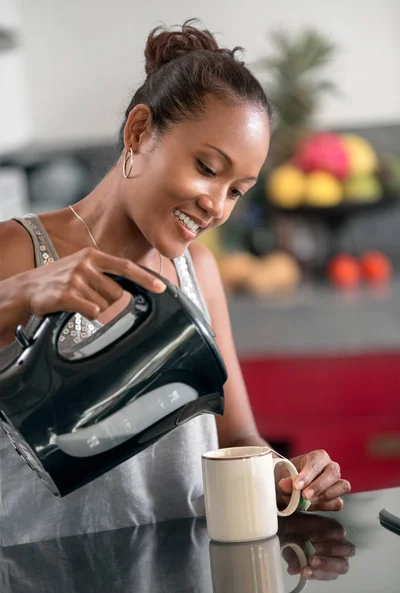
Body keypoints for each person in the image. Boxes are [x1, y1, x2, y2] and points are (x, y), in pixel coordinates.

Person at [0, 20, 350, 546]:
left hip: (178, 571)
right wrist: (21, 293)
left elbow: (238, 436)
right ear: (139, 132)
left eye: (238, 191)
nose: (216, 206)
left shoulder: (198, 272)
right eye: (208, 168)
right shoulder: (17, 248)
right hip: (37, 574)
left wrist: (286, 476)